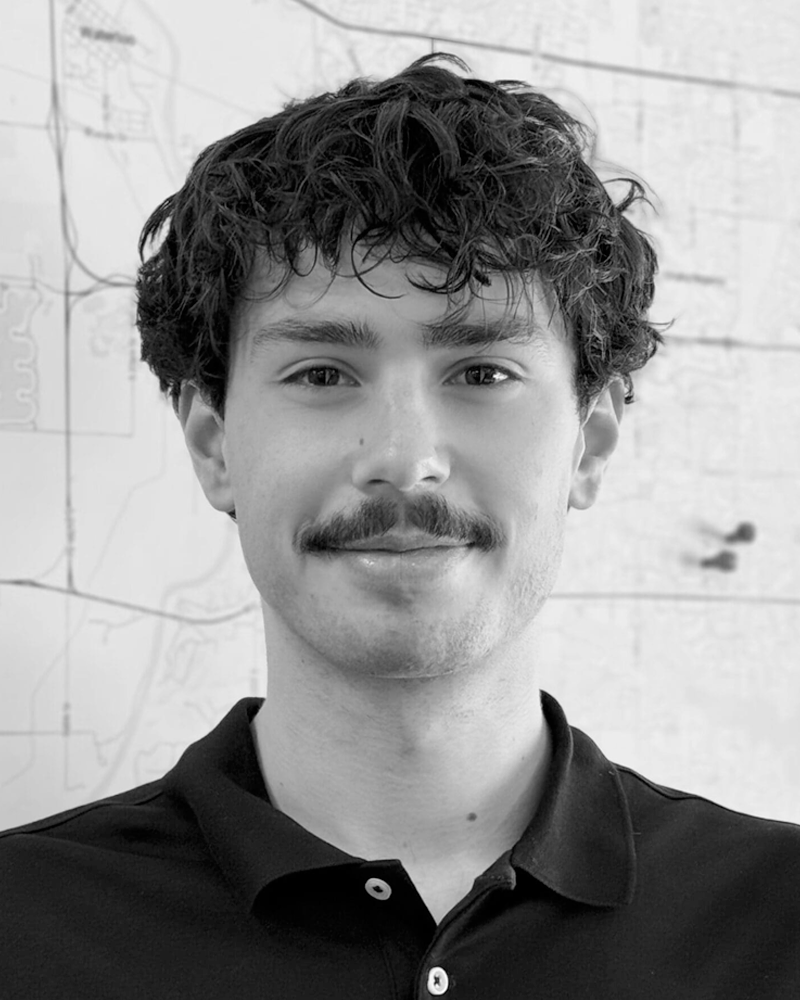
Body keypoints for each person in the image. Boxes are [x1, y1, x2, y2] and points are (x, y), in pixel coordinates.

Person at [1, 52, 798, 998]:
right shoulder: (23, 927)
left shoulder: (778, 921)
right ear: (214, 446)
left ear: (589, 444)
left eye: (482, 373)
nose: (404, 456)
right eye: (323, 375)